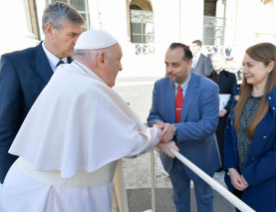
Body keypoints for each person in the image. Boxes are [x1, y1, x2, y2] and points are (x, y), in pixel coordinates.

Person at [0, 29, 179, 212]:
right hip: (56, 197)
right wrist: (159, 133)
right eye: (118, 59)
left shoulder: (67, 73)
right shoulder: (88, 88)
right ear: (101, 59)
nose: (120, 67)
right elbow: (130, 142)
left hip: (31, 188)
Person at [0, 1, 85, 184]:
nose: (78, 41)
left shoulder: (82, 65)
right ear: (50, 30)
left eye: (80, 34)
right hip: (33, 173)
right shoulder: (15, 64)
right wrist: (8, 181)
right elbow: (6, 129)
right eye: (72, 34)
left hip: (76, 173)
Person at [224, 42, 276, 212]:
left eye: (250, 65)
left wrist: (247, 176)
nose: (244, 70)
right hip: (238, 186)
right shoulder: (240, 94)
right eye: (243, 65)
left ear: (270, 66)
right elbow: (229, 134)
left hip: (266, 192)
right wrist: (231, 169)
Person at [148, 43, 221, 212]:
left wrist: (175, 129)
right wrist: (158, 126)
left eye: (175, 65)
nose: (169, 69)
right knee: (180, 198)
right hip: (173, 155)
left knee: (205, 198)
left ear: (189, 64)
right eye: (166, 64)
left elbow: (209, 125)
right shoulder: (159, 86)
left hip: (202, 155)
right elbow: (153, 116)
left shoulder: (209, 88)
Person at [207, 52, 237, 170]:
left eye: (217, 61)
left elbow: (235, 95)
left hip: (225, 114)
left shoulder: (231, 77)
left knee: (223, 140)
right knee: (210, 140)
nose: (215, 63)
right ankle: (211, 163)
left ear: (223, 62)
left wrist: (226, 109)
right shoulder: (207, 76)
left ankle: (223, 164)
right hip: (211, 115)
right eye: (213, 61)